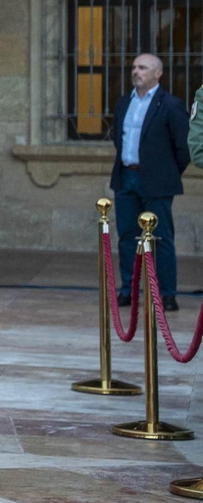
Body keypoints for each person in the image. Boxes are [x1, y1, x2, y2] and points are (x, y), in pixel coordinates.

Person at [110, 53, 187, 314]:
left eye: (142, 67)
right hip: (126, 177)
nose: (136, 71)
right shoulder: (123, 103)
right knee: (127, 237)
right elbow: (117, 138)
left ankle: (167, 295)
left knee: (161, 238)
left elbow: (183, 148)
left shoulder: (170, 105)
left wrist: (166, 173)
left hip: (157, 181)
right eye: (133, 67)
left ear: (157, 74)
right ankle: (128, 291)